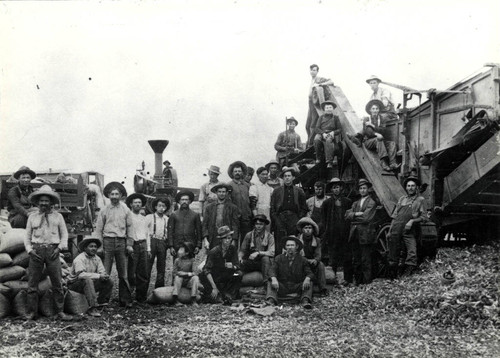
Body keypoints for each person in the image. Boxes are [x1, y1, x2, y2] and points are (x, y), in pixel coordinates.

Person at [24, 185, 72, 320]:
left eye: (47, 201)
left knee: (57, 283)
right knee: (32, 284)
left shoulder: (58, 216)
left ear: (51, 202)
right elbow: (27, 236)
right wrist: (30, 250)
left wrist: (59, 248)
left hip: (53, 251)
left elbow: (64, 235)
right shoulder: (32, 217)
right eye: (41, 201)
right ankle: (32, 313)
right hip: (36, 251)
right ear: (38, 202)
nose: (44, 203)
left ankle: (60, 312)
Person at [95, 182, 133, 307]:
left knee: (123, 273)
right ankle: (103, 299)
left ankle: (125, 299)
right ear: (108, 195)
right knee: (105, 272)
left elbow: (130, 228)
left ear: (121, 195)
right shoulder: (104, 210)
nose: (115, 196)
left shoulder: (126, 209)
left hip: (121, 242)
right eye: (112, 194)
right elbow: (99, 229)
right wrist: (99, 246)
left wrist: (129, 244)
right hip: (108, 242)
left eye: (117, 194)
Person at [388, 176, 427, 278]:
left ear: (417, 187)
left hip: (409, 230)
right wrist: (390, 230)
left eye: (413, 186)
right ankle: (393, 275)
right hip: (396, 227)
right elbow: (395, 216)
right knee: (393, 252)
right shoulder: (402, 199)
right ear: (406, 188)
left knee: (412, 251)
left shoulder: (420, 200)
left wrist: (412, 221)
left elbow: (424, 217)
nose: (410, 188)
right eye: (408, 186)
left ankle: (407, 275)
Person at [67, 236, 113, 317]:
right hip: (74, 285)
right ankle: (92, 307)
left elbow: (101, 271)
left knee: (108, 281)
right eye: (91, 246)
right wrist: (99, 276)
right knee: (87, 280)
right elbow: (81, 275)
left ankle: (102, 303)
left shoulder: (97, 258)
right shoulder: (80, 259)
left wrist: (104, 275)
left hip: (89, 284)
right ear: (85, 248)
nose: (93, 249)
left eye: (95, 247)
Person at [266, 236, 314, 309]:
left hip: (296, 286)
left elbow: (310, 273)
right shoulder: (279, 258)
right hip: (282, 286)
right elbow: (272, 270)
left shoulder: (302, 260)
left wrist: (307, 278)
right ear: (285, 247)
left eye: (292, 245)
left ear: (297, 247)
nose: (290, 247)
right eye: (288, 245)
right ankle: (271, 300)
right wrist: (274, 278)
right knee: (270, 280)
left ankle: (305, 300)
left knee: (309, 282)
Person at [345, 179, 377, 285]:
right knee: (356, 260)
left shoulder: (371, 202)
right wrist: (357, 214)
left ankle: (367, 283)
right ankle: (358, 283)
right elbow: (346, 215)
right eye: (361, 188)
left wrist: (354, 216)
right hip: (355, 234)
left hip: (366, 235)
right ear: (359, 190)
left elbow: (366, 218)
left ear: (368, 189)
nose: (363, 190)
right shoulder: (356, 203)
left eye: (364, 188)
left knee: (366, 260)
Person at [270, 167, 308, 255]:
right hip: (281, 217)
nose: (287, 178)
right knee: (280, 240)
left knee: (293, 240)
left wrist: (299, 218)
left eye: (289, 176)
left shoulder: (299, 191)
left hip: (294, 218)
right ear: (283, 178)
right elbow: (272, 208)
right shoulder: (277, 191)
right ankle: (280, 261)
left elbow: (304, 207)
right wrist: (276, 219)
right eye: (285, 176)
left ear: (293, 177)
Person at [200, 226, 242, 305]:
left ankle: (229, 295)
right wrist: (214, 287)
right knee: (213, 298)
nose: (227, 241)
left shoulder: (232, 249)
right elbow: (206, 270)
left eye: (229, 238)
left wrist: (233, 266)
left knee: (238, 274)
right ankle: (216, 295)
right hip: (213, 277)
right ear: (221, 240)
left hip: (225, 276)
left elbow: (238, 265)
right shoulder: (214, 251)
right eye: (225, 239)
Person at [320, 178, 352, 283]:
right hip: (332, 233)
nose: (336, 190)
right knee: (333, 257)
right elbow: (323, 219)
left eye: (338, 187)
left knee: (347, 257)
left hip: (345, 233)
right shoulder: (327, 203)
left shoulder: (347, 202)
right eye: (334, 188)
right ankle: (332, 280)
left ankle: (348, 279)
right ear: (331, 189)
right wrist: (326, 231)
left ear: (341, 188)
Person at [125, 193, 150, 303]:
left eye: (139, 203)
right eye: (135, 202)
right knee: (131, 272)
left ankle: (141, 297)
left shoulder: (144, 218)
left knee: (143, 272)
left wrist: (148, 248)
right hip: (133, 245)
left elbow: (147, 234)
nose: (137, 204)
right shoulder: (127, 216)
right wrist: (128, 245)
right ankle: (128, 296)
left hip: (143, 244)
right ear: (131, 204)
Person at [202, 183, 241, 249]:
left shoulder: (233, 207)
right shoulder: (209, 207)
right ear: (216, 193)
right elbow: (205, 224)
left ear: (226, 193)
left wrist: (234, 240)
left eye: (223, 192)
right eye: (219, 192)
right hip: (213, 235)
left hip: (227, 236)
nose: (221, 194)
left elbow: (235, 225)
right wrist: (205, 239)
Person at [239, 214, 275, 284]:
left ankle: (266, 283)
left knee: (266, 259)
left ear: (265, 225)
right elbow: (242, 250)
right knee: (238, 265)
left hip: (262, 263)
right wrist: (239, 257)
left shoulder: (269, 236)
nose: (258, 226)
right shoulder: (249, 235)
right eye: (257, 224)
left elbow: (272, 252)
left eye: (261, 224)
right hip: (250, 261)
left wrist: (258, 253)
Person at [296, 217, 328, 296]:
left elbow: (318, 254)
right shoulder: (297, 240)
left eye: (310, 228)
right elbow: (296, 254)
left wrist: (316, 260)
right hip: (301, 264)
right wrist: (305, 260)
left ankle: (323, 289)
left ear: (313, 230)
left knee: (320, 265)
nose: (307, 230)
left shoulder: (317, 240)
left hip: (312, 264)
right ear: (302, 229)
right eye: (305, 228)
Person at [306, 64, 335, 147]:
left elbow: (331, 81)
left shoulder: (319, 79)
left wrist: (320, 85)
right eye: (311, 70)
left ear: (317, 71)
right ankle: (309, 140)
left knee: (313, 123)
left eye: (314, 70)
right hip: (310, 103)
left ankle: (311, 143)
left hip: (316, 104)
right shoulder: (312, 80)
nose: (312, 72)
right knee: (307, 125)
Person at [168, 190, 202, 257]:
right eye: (182, 199)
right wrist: (171, 246)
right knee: (177, 264)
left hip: (190, 245)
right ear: (179, 201)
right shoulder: (174, 215)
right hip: (177, 245)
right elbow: (170, 232)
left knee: (188, 265)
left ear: (189, 201)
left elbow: (199, 232)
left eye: (186, 200)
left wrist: (198, 246)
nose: (184, 202)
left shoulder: (195, 215)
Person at [146, 197, 170, 288]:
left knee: (161, 267)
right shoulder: (149, 217)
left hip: (162, 242)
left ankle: (159, 290)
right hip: (152, 241)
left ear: (166, 208)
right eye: (159, 206)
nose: (161, 208)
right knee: (147, 267)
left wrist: (166, 243)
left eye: (163, 206)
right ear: (155, 207)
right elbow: (146, 233)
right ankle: (142, 293)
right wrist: (148, 248)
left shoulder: (166, 219)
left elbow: (168, 232)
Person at [227, 161, 252, 245]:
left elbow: (251, 201)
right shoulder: (229, 186)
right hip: (234, 218)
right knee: (233, 239)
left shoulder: (247, 185)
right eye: (235, 171)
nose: (237, 173)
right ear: (232, 173)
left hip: (246, 217)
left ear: (242, 172)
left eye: (239, 171)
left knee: (245, 239)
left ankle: (243, 257)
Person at [313, 101, 342, 168]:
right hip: (321, 133)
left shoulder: (335, 118)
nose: (328, 109)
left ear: (333, 109)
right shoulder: (321, 117)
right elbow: (316, 128)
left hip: (330, 134)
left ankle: (329, 161)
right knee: (317, 139)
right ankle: (318, 158)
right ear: (324, 109)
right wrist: (322, 133)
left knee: (329, 141)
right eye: (327, 108)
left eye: (330, 107)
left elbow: (339, 129)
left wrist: (333, 132)